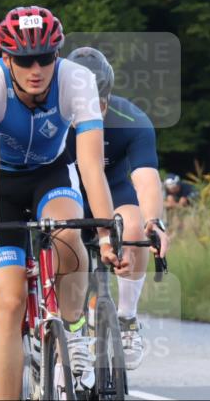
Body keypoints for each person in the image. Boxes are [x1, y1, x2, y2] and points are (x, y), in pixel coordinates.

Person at [0, 6, 124, 401]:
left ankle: (72, 334)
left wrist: (109, 233)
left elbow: (91, 168)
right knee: (9, 302)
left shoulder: (75, 81)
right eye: (24, 59)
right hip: (3, 187)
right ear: (6, 56)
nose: (36, 70)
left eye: (45, 58)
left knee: (68, 231)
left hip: (52, 177)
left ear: (57, 54)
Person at [65, 47, 169, 370]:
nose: (94, 110)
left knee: (135, 226)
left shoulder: (132, 120)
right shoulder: (51, 121)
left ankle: (126, 319)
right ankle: (61, 332)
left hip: (114, 190)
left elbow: (147, 180)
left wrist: (155, 221)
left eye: (101, 102)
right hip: (66, 193)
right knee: (61, 239)